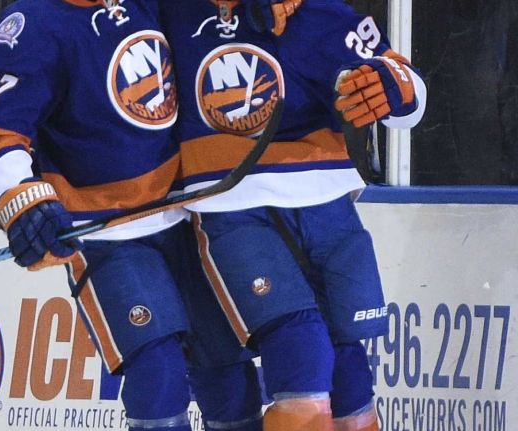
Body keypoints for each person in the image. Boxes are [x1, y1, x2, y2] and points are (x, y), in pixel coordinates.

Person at [0, 2, 259, 430]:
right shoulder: (33, 24)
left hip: (188, 216)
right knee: (157, 372)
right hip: (106, 234)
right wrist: (21, 195)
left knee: (229, 372)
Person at [160, 1, 427, 430]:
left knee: (350, 376)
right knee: (302, 359)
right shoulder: (169, 14)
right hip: (232, 205)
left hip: (328, 203)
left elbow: (406, 100)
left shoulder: (321, 15)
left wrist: (396, 86)